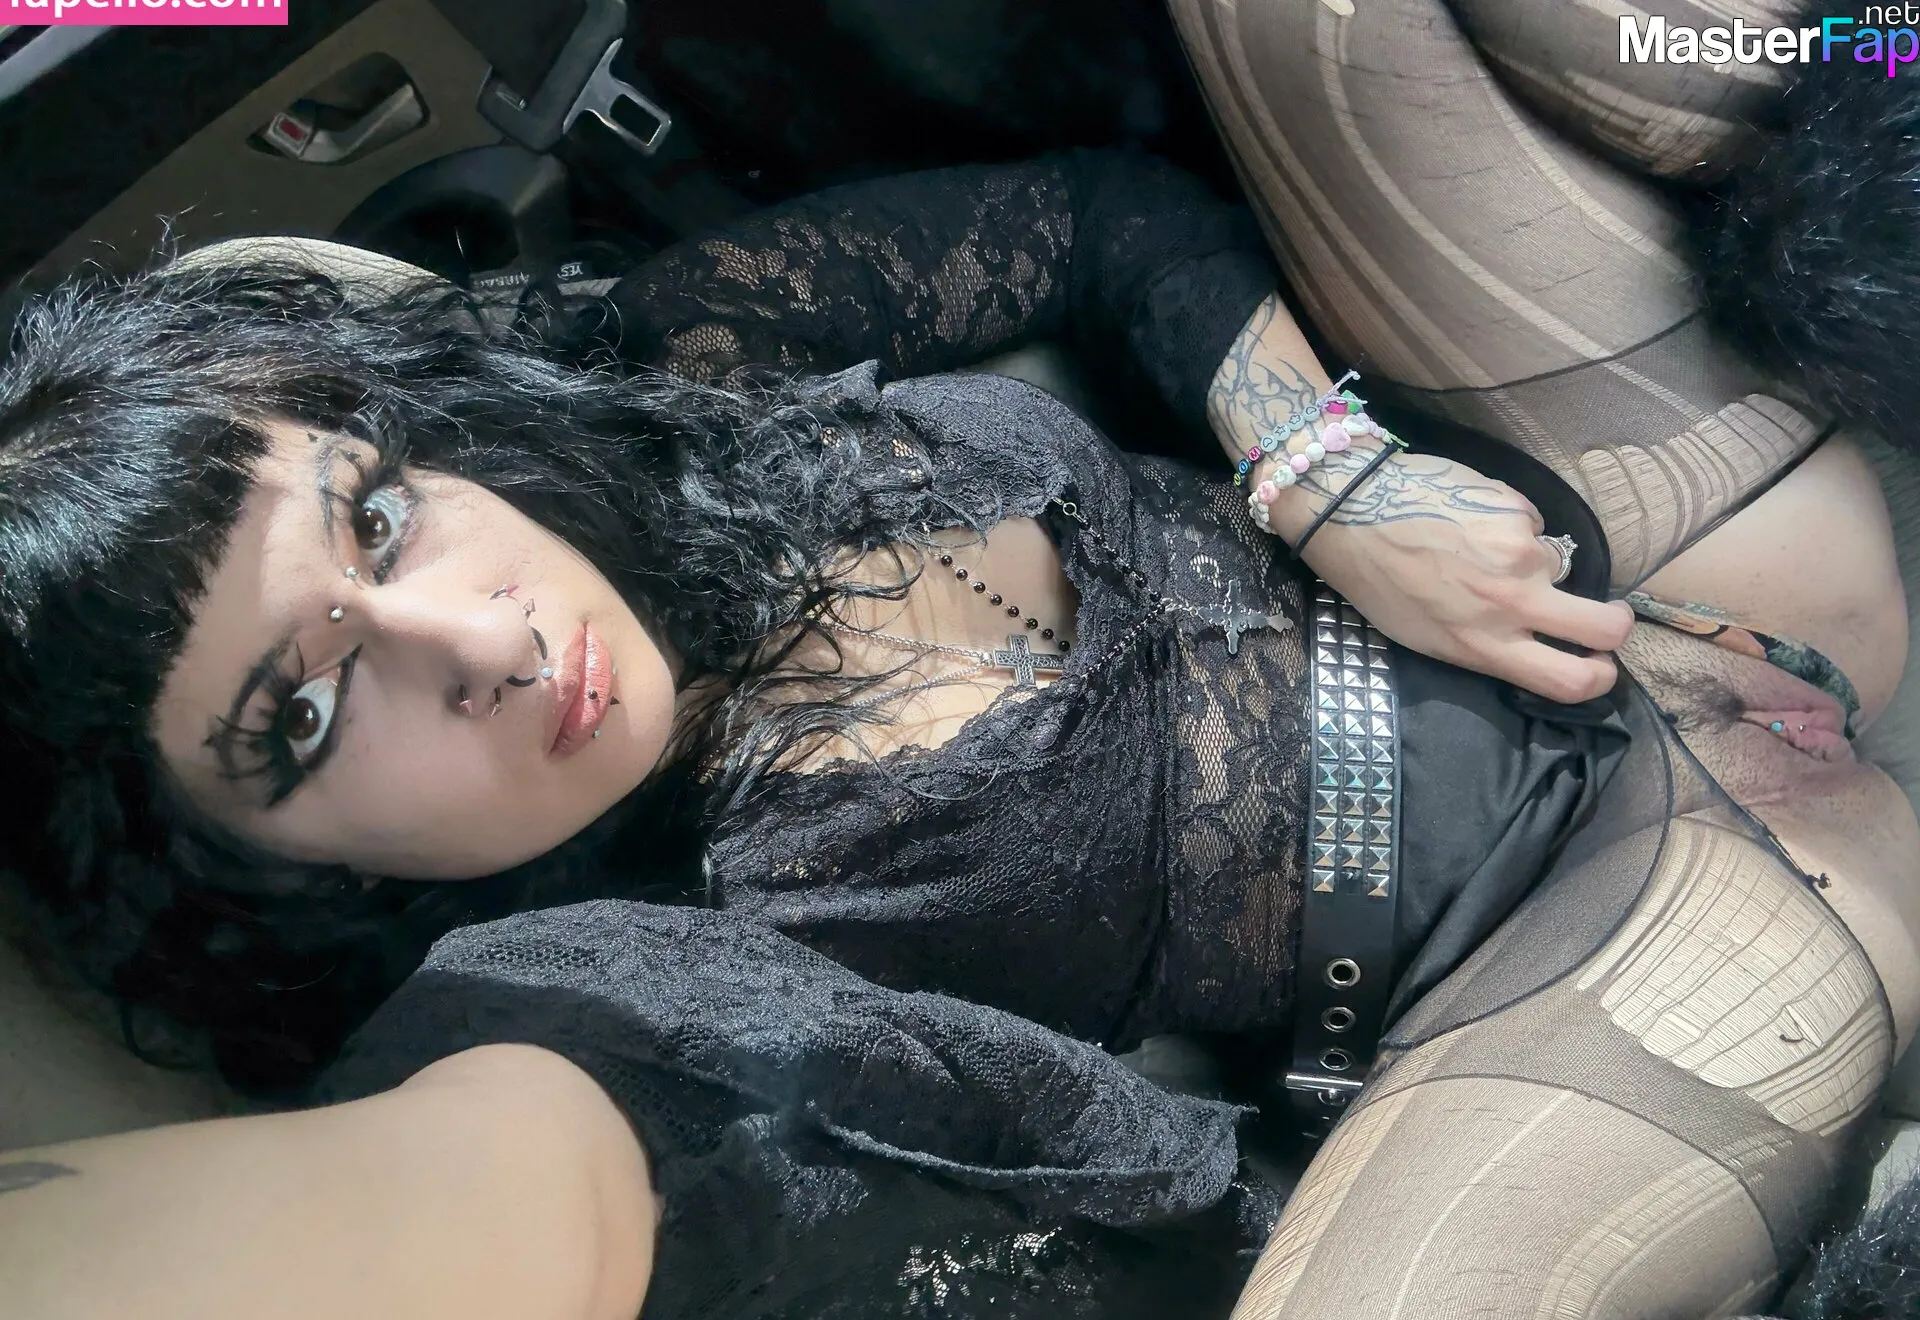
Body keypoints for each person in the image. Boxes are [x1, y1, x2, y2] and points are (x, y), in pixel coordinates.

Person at [0, 7, 1913, 1317]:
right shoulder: (580, 990)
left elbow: (1091, 223)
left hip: (1675, 545)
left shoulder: (686, 376)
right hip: (1670, 939)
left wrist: (1325, 471)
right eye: (306, 712)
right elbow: (494, 1202)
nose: (476, 641)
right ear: (257, 865)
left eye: (379, 523)